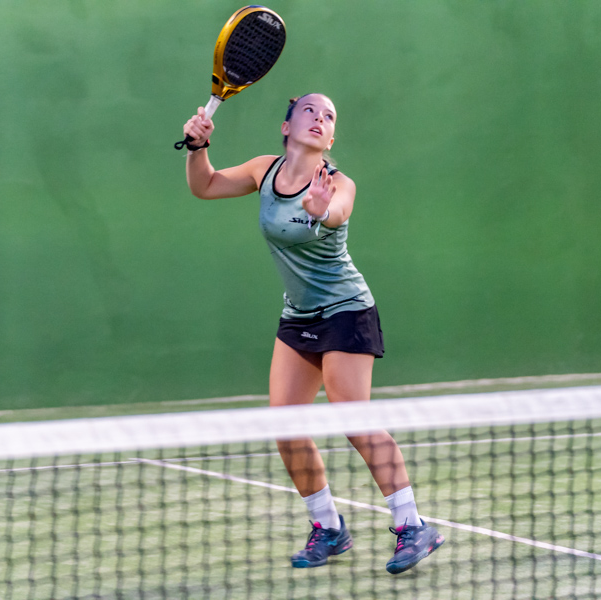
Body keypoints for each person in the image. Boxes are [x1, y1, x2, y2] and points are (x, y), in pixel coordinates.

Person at [180, 93, 443, 574]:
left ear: (331, 138)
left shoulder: (339, 184)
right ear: (286, 126)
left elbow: (338, 211)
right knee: (285, 425)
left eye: (328, 116)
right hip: (298, 316)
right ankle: (328, 528)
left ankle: (412, 525)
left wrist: (321, 210)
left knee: (353, 418)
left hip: (347, 311)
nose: (319, 118)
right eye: (309, 111)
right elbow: (206, 186)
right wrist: (198, 148)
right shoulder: (264, 170)